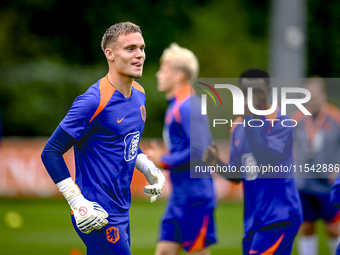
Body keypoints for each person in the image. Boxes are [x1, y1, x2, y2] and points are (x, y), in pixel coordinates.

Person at [41, 22, 165, 255]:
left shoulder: (140, 94)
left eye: (142, 48)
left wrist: (149, 168)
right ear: (110, 54)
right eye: (130, 49)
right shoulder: (93, 102)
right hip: (96, 214)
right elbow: (50, 152)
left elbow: (126, 145)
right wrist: (77, 202)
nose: (139, 55)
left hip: (121, 209)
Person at [202, 68, 303, 255]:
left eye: (257, 91)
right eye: (247, 92)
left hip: (279, 216)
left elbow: (267, 158)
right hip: (253, 220)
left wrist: (250, 118)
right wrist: (215, 162)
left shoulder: (281, 121)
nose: (252, 97)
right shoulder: (238, 126)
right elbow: (238, 175)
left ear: (269, 92)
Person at [146, 43, 217, 255]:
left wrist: (165, 160)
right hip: (180, 198)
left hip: (194, 199)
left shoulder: (188, 106)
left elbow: (202, 151)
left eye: (163, 69)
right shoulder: (177, 105)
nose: (158, 74)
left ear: (178, 75)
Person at [294, 78, 340, 255]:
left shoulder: (335, 117)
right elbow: (290, 146)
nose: (311, 100)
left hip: (328, 184)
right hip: (304, 183)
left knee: (333, 228)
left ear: (324, 95)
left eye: (314, 96)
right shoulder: (297, 119)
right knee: (306, 227)